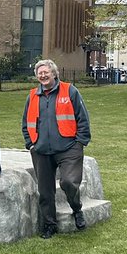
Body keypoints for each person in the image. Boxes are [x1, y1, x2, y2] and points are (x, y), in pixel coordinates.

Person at [22, 58, 91, 239]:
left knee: (68, 182)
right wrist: (31, 144)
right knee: (45, 192)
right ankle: (49, 224)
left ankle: (76, 209)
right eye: (40, 73)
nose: (43, 75)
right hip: (41, 150)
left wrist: (80, 142)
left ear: (54, 73)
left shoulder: (70, 91)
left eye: (46, 72)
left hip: (68, 148)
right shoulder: (32, 96)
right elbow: (26, 122)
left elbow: (82, 118)